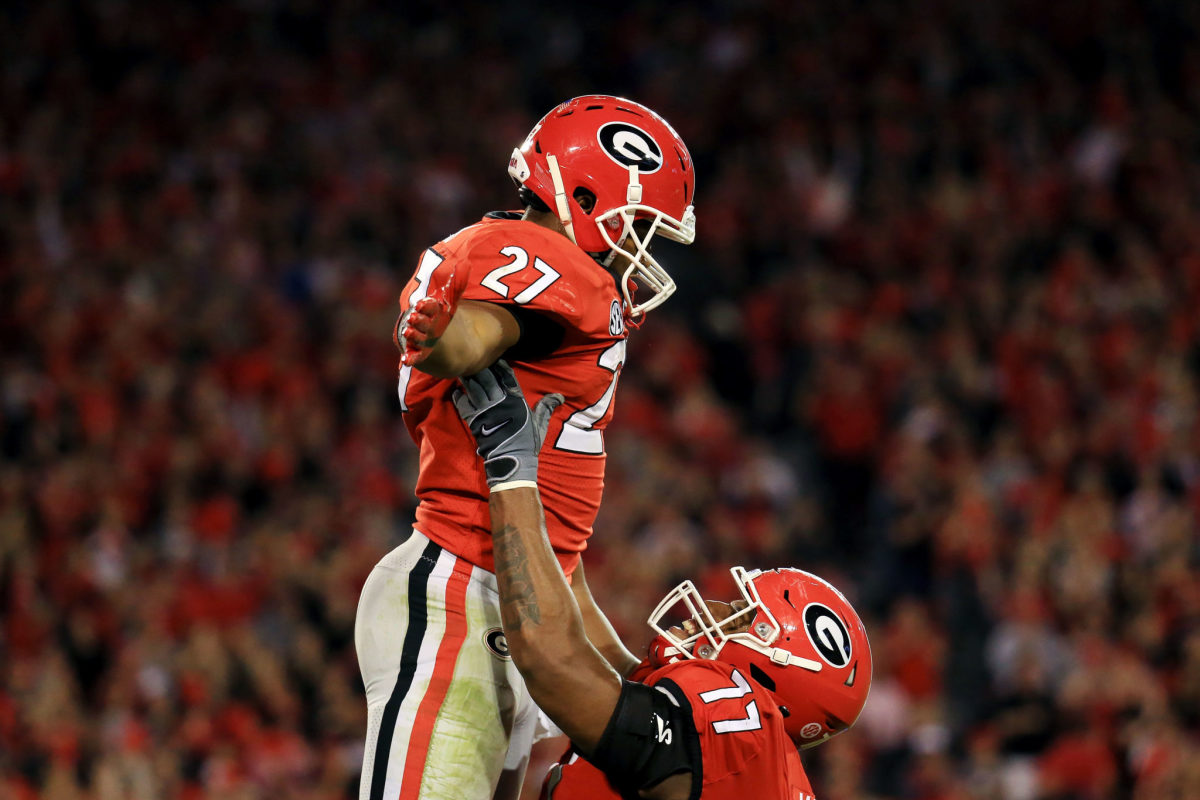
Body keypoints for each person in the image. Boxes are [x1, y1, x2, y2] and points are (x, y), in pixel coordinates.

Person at [356, 95, 697, 800]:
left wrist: (629, 674)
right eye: (639, 222)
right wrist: (444, 339)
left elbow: (557, 561)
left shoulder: (562, 290)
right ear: (586, 197)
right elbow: (484, 331)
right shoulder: (540, 263)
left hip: (502, 604)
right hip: (457, 593)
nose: (644, 244)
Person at [453, 362, 873, 800]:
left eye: (739, 618)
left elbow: (553, 660)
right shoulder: (752, 761)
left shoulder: (743, 727)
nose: (712, 611)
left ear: (776, 673)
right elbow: (601, 658)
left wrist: (511, 473)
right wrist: (543, 489)